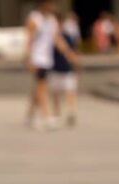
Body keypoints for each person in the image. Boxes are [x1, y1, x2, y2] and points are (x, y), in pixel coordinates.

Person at [24, 1, 77, 131]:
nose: (53, 6)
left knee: (39, 88)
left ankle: (30, 115)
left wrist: (68, 53)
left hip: (47, 59)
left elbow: (57, 38)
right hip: (37, 59)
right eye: (51, 4)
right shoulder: (34, 19)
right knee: (42, 86)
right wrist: (29, 59)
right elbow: (28, 40)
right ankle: (46, 116)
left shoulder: (52, 20)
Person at [49, 12, 81, 127]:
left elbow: (73, 52)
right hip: (54, 68)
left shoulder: (67, 36)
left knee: (70, 91)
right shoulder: (49, 37)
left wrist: (76, 67)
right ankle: (56, 113)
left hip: (67, 68)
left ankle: (71, 111)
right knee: (55, 93)